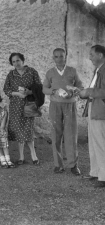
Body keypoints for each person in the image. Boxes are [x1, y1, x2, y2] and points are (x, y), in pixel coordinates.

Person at [43, 48, 83, 175]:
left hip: (70, 106)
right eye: (56, 57)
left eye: (61, 56)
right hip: (55, 106)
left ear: (65, 57)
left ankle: (73, 165)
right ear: (53, 58)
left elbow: (80, 87)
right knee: (56, 134)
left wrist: (72, 92)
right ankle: (58, 164)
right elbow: (44, 88)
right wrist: (53, 91)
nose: (59, 59)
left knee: (71, 134)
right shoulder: (50, 73)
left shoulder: (72, 71)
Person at [3, 52, 40, 165]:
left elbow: (39, 87)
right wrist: (16, 94)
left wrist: (29, 92)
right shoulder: (11, 74)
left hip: (29, 104)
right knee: (19, 130)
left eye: (18, 60)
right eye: (13, 61)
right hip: (15, 106)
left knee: (28, 129)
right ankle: (21, 157)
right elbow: (6, 89)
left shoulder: (32, 72)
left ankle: (34, 156)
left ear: (23, 60)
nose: (16, 63)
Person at [79, 45, 105, 187]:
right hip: (94, 108)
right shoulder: (98, 70)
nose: (89, 57)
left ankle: (104, 177)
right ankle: (95, 172)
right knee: (94, 143)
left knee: (101, 143)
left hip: (101, 111)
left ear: (100, 55)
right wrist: (84, 93)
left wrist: (88, 91)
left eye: (92, 54)